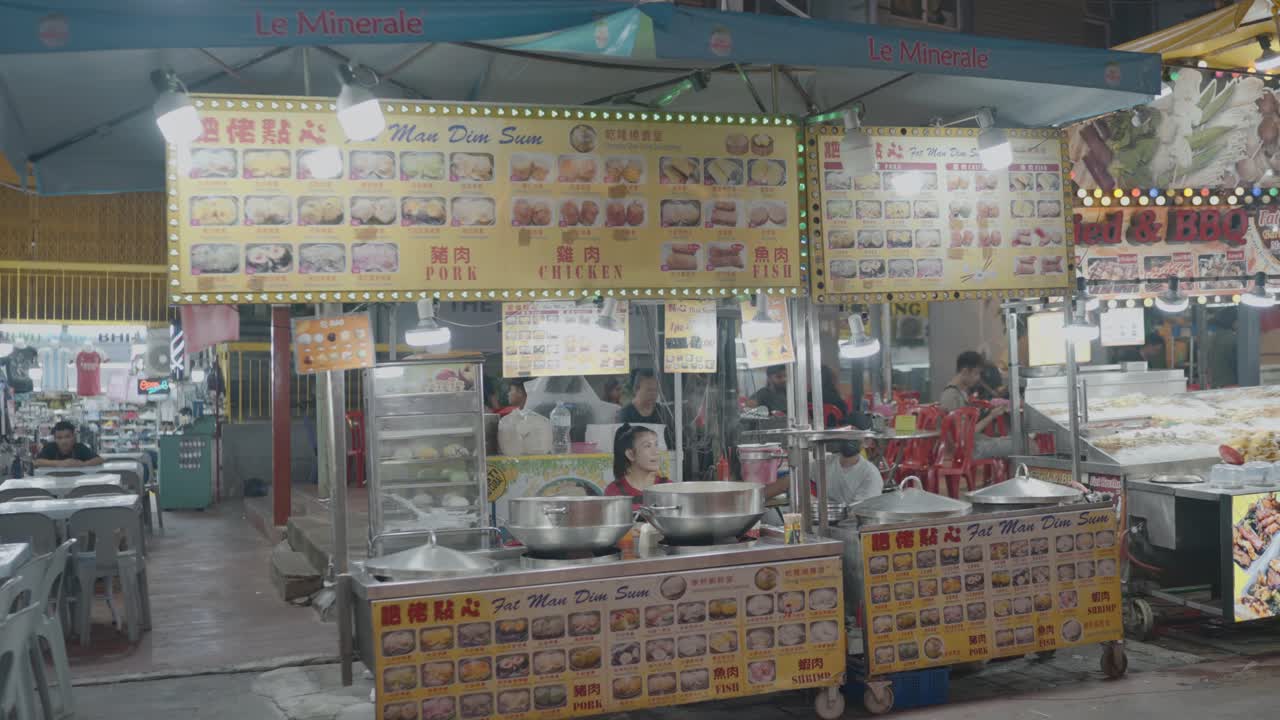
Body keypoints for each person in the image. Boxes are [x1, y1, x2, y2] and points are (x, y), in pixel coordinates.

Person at [939, 351, 1010, 459]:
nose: (978, 378)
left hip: (974, 443)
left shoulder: (959, 392)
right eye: (976, 373)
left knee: (1020, 440)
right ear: (965, 371)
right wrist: (991, 416)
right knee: (1024, 445)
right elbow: (966, 434)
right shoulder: (951, 396)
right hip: (970, 449)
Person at [604, 424, 670, 508]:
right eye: (647, 446)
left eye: (656, 445)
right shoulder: (614, 491)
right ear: (631, 455)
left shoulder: (668, 488)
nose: (656, 452)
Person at [617, 370, 674, 445]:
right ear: (636, 390)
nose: (653, 394)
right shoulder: (625, 413)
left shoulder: (662, 412)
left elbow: (670, 441)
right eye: (649, 390)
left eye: (656, 390)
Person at [824, 440, 883, 505]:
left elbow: (860, 509)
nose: (849, 440)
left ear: (867, 442)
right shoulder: (827, 462)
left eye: (855, 437)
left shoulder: (871, 474)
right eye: (847, 435)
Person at [35, 420, 104, 468]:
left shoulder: (80, 448)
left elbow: (99, 460)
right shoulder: (50, 448)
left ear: (74, 437)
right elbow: (36, 462)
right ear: (55, 439)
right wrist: (61, 463)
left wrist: (82, 464)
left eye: (67, 437)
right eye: (59, 438)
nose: (64, 441)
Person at [1208, 309, 1237, 387]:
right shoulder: (1234, 339)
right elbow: (1237, 364)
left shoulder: (1212, 338)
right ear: (1233, 322)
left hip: (1215, 385)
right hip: (1231, 386)